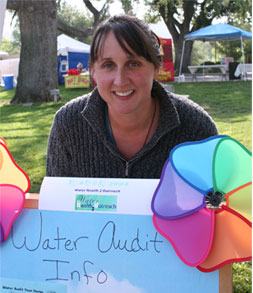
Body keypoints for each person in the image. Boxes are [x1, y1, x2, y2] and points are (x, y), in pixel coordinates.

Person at [46, 15, 218, 179]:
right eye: (108, 65)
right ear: (93, 72)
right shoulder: (67, 125)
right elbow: (56, 205)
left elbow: (213, 204)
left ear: (156, 69)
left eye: (134, 64)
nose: (121, 81)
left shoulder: (197, 129)